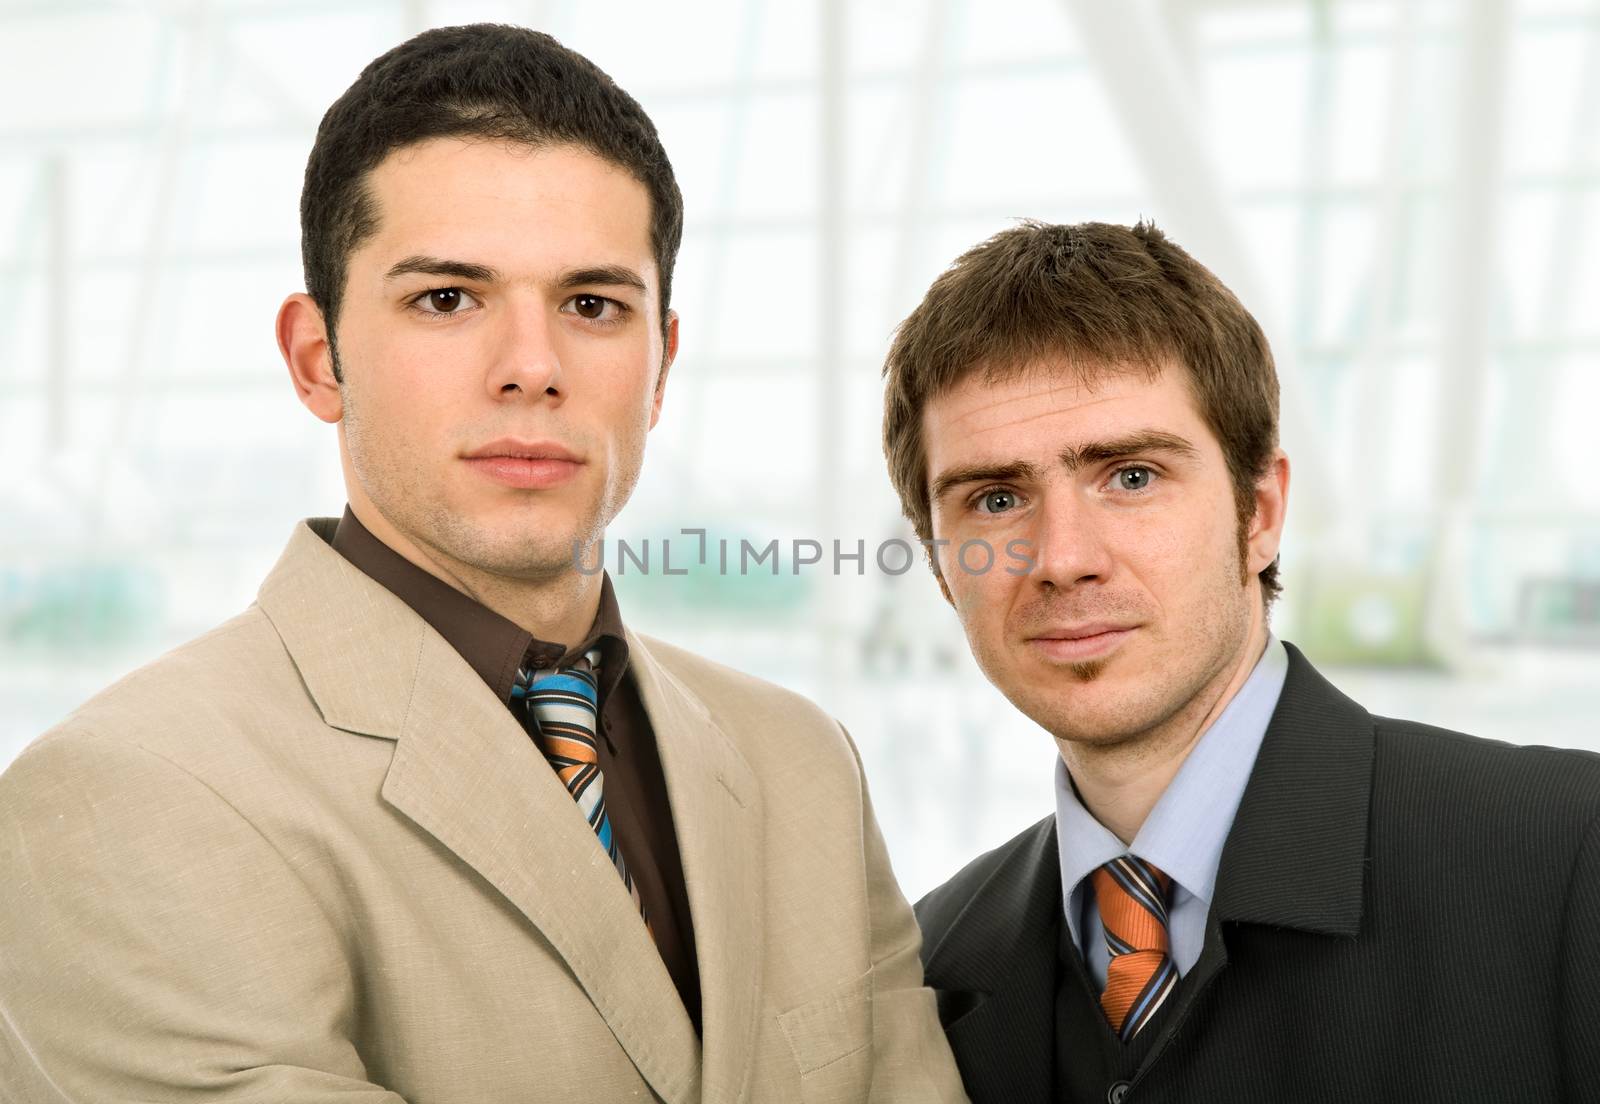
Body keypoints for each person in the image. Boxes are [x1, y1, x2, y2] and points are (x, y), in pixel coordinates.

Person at [0, 25, 965, 1103]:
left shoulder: (803, 767)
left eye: (592, 305)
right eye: (447, 299)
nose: (532, 369)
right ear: (318, 360)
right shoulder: (125, 796)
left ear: (660, 368)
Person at [884, 220, 1600, 1103]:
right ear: (942, 567)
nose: (1061, 558)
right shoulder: (932, 969)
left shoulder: (1569, 858)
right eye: (995, 498)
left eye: (1132, 476)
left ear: (1258, 514)